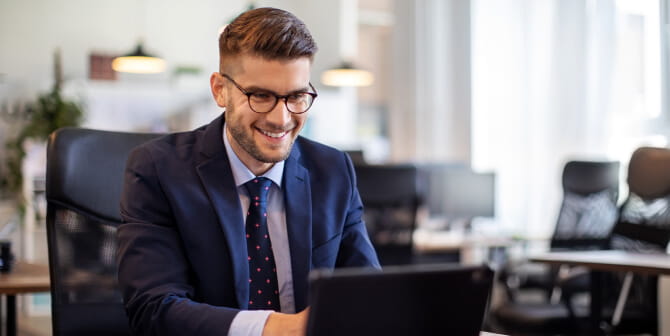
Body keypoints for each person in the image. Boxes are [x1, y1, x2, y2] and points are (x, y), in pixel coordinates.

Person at [116, 7, 380, 336]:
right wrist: (283, 328)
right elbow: (154, 310)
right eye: (261, 96)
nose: (281, 119)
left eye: (296, 96)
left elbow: (370, 295)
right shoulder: (158, 170)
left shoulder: (333, 171)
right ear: (220, 90)